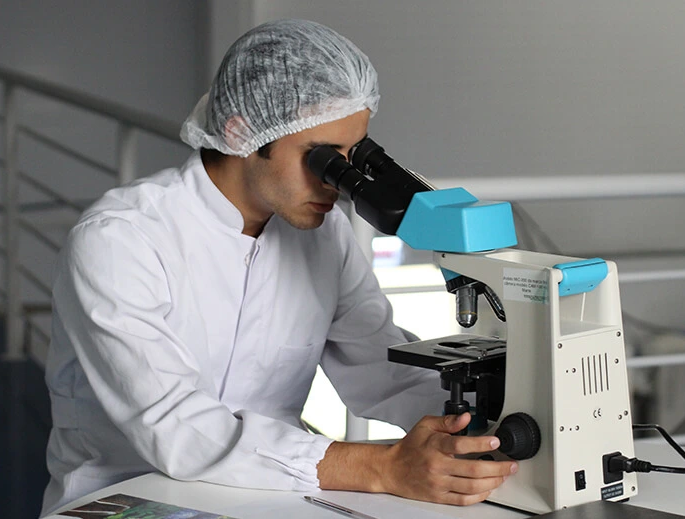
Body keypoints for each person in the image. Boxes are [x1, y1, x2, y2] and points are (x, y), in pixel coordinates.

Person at [40, 19, 517, 517]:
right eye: (323, 159)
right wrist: (384, 467)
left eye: (354, 155)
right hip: (129, 496)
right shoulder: (122, 240)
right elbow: (177, 428)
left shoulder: (322, 235)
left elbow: (381, 369)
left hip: (271, 491)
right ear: (242, 132)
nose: (339, 183)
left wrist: (483, 425)